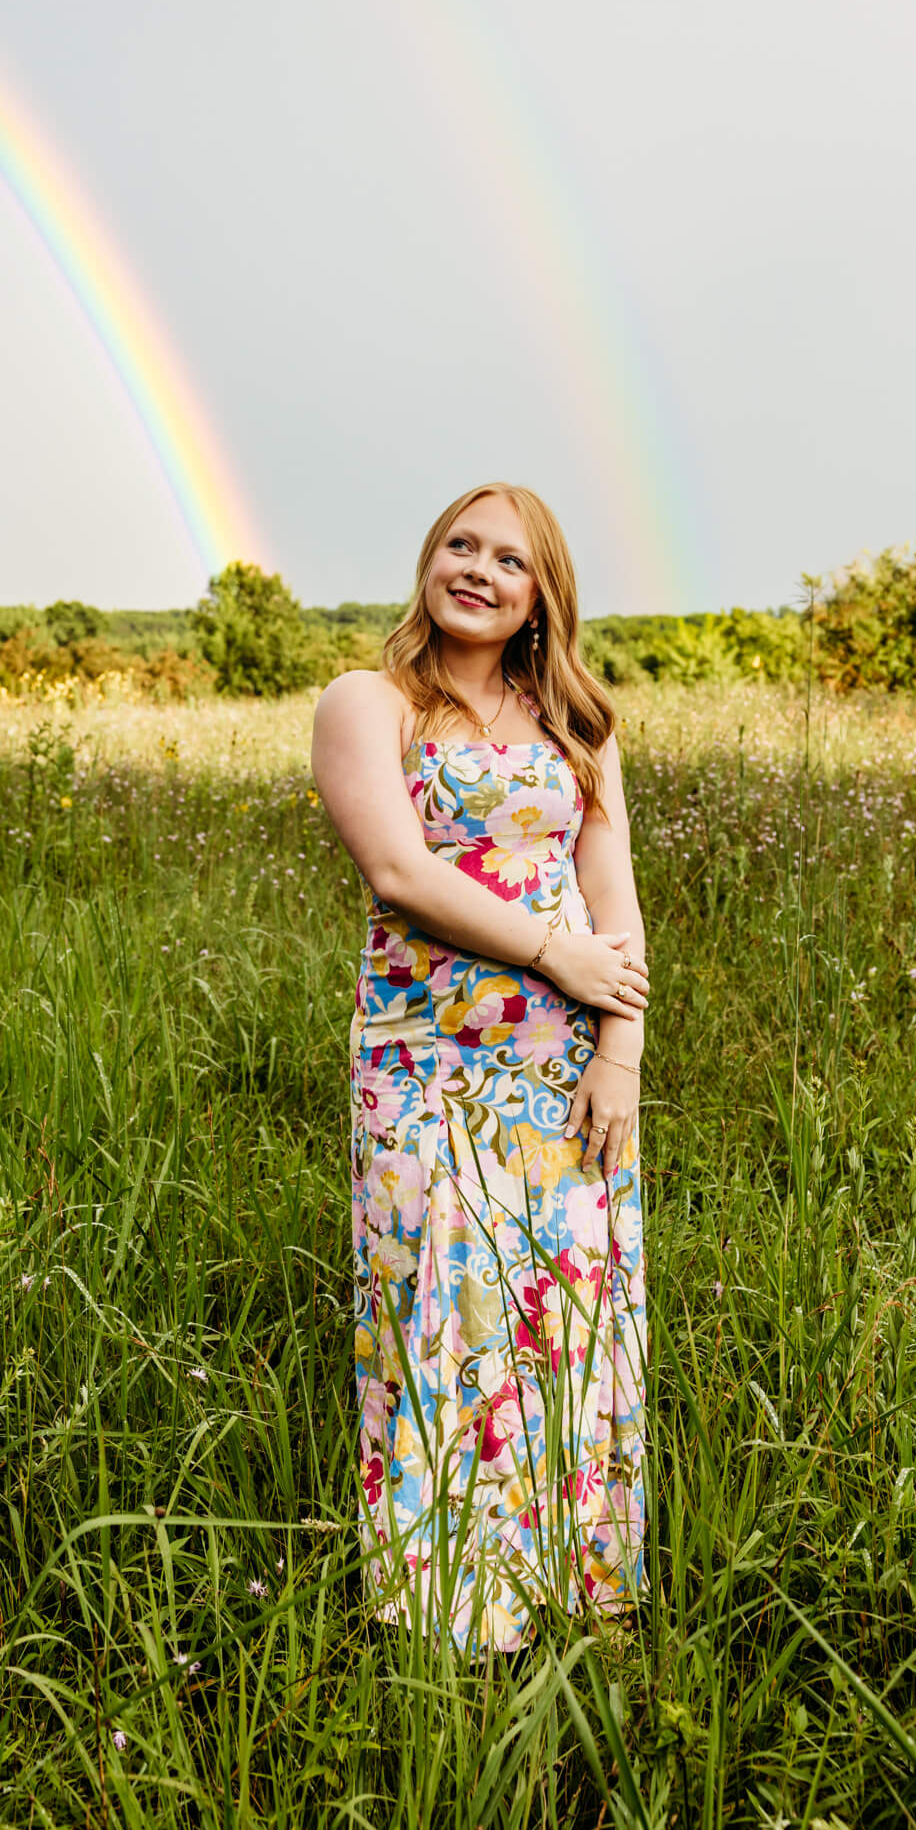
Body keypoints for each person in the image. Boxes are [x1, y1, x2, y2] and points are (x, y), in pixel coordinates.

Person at [310, 482, 649, 1654]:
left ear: (540, 592)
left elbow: (618, 903)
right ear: (427, 558)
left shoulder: (580, 725)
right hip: (424, 1062)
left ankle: (574, 1579)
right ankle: (449, 1603)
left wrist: (623, 1052)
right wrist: (557, 950)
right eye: (462, 543)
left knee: (567, 1311)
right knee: (445, 1306)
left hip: (566, 1065)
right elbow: (400, 873)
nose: (480, 569)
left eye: (511, 559)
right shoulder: (370, 702)